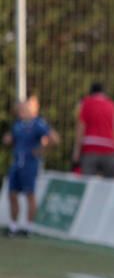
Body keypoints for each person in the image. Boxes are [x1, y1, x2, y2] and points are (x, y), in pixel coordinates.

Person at [3, 96, 59, 236]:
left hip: (30, 164)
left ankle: (28, 227)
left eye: (26, 106)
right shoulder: (18, 124)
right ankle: (13, 227)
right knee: (12, 194)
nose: (22, 109)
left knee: (30, 194)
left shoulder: (38, 124)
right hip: (16, 163)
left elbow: (54, 139)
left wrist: (41, 150)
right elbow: (11, 139)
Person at [72, 82, 114, 177]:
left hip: (90, 148)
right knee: (109, 185)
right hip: (109, 149)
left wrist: (76, 152)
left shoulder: (85, 103)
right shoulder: (112, 105)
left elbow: (81, 128)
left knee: (88, 183)